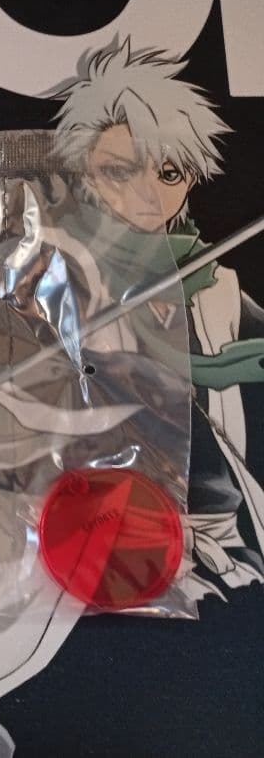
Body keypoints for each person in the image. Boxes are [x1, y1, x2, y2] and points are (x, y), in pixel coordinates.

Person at [52, 39, 264, 597]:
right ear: (84, 174)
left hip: (222, 546)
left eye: (169, 173)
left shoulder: (216, 286)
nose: (148, 194)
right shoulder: (57, 276)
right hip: (101, 535)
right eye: (119, 172)